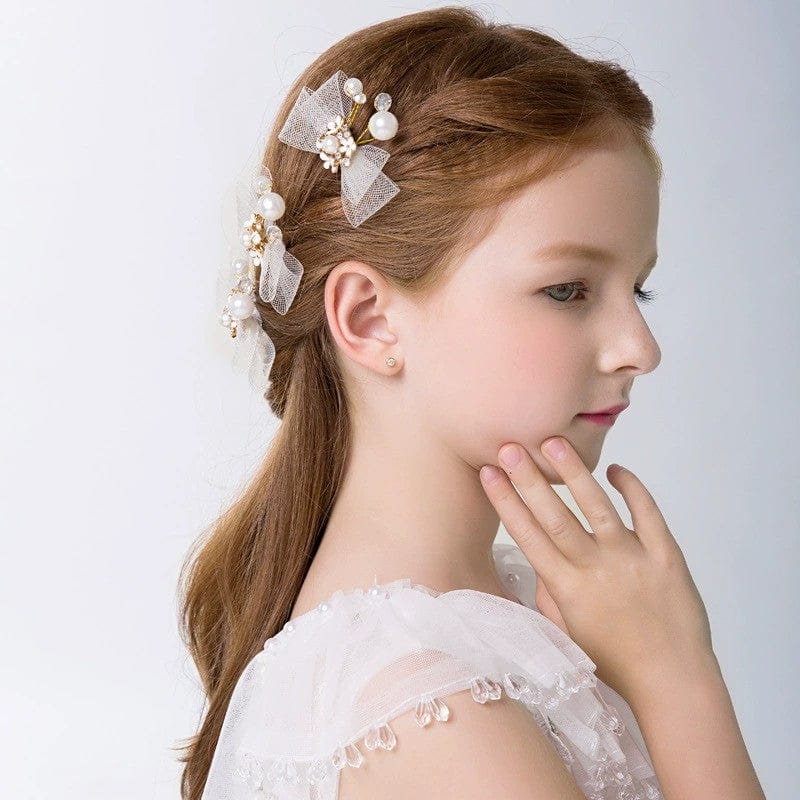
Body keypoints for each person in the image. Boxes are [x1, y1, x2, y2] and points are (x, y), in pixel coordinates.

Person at [176, 7, 766, 800]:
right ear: (369, 319)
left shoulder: (510, 611)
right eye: (568, 290)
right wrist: (679, 678)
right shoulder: (430, 714)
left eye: (640, 289)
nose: (640, 348)